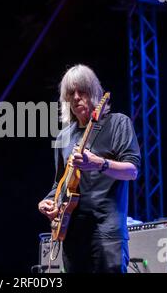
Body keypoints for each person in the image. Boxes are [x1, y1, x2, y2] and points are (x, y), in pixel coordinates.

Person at [38, 64, 141, 273]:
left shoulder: (118, 123)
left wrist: (99, 163)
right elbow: (60, 183)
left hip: (107, 233)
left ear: (95, 92)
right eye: (70, 93)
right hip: (72, 236)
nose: (76, 97)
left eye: (82, 91)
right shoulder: (63, 137)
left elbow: (132, 171)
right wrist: (49, 201)